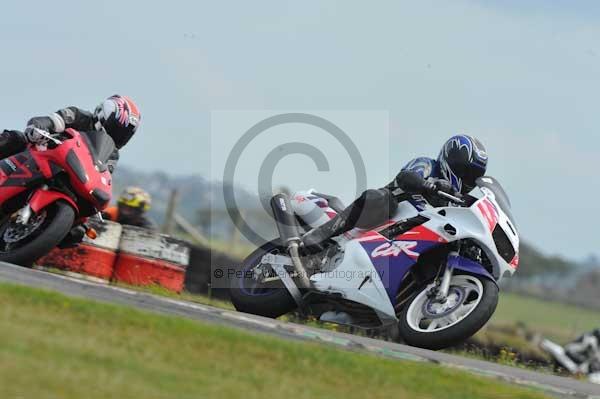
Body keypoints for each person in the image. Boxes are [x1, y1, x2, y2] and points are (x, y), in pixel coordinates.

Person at [301, 135, 488, 249]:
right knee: (385, 199)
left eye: (475, 176)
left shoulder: (456, 201)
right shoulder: (428, 165)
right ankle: (321, 233)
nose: (469, 179)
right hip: (380, 216)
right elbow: (406, 176)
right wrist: (427, 186)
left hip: (403, 237)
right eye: (467, 172)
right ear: (452, 161)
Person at [0, 94, 141, 173]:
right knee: (15, 138)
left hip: (67, 178)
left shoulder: (112, 155)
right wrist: (39, 127)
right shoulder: (78, 116)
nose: (118, 136)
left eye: (124, 134)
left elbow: (103, 177)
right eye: (117, 129)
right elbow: (53, 120)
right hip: (40, 155)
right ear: (103, 115)